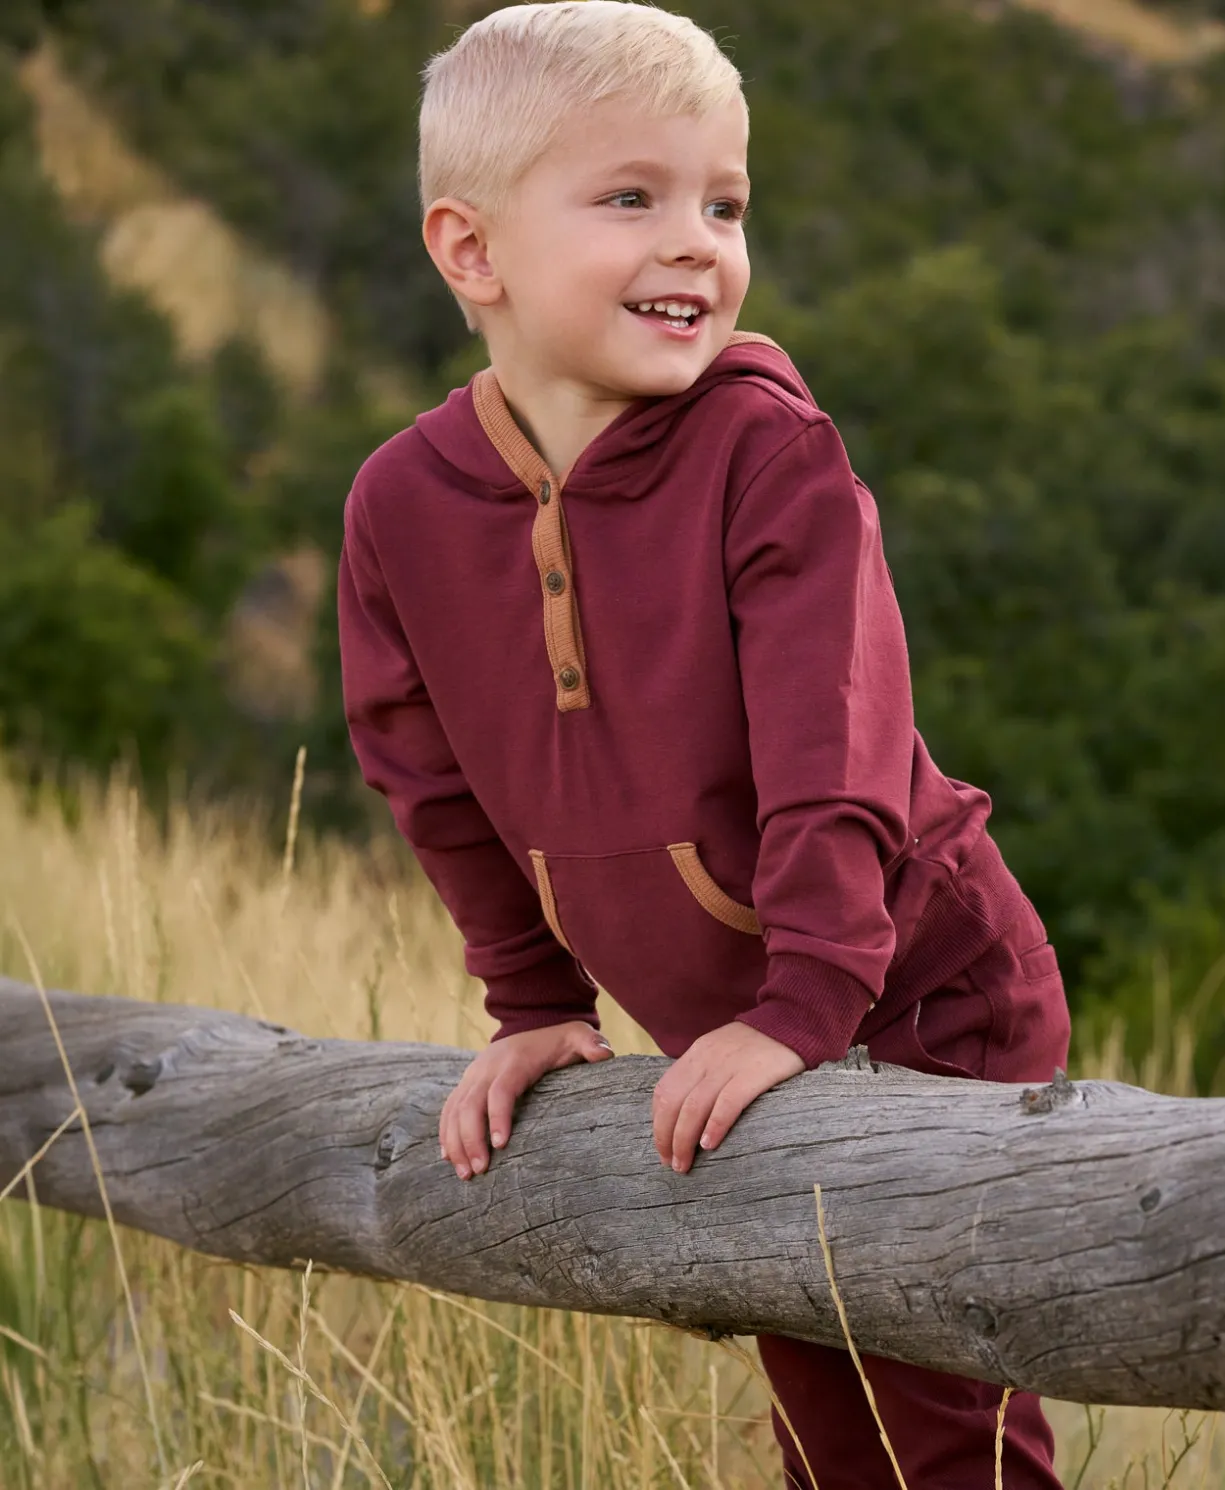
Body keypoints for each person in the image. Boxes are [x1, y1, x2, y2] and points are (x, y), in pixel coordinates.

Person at [337, 3, 1071, 1484]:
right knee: (831, 1422)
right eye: (631, 198)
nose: (695, 244)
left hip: (919, 993)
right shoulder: (403, 509)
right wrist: (533, 1000)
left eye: (723, 206)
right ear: (471, 249)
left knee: (934, 1444)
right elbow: (424, 772)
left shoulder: (764, 455)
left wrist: (804, 999)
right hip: (740, 1020)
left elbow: (832, 744)